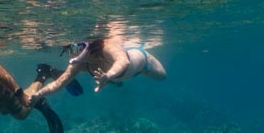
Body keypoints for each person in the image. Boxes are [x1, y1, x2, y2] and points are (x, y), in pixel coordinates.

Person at [27, 38, 167, 102]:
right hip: (114, 76)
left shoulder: (106, 47)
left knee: (162, 77)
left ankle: (115, 79)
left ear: (86, 45)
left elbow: (123, 61)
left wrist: (108, 76)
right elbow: (58, 84)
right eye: (68, 50)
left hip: (142, 64)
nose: (73, 54)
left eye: (75, 48)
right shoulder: (79, 63)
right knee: (114, 78)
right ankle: (114, 81)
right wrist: (38, 94)